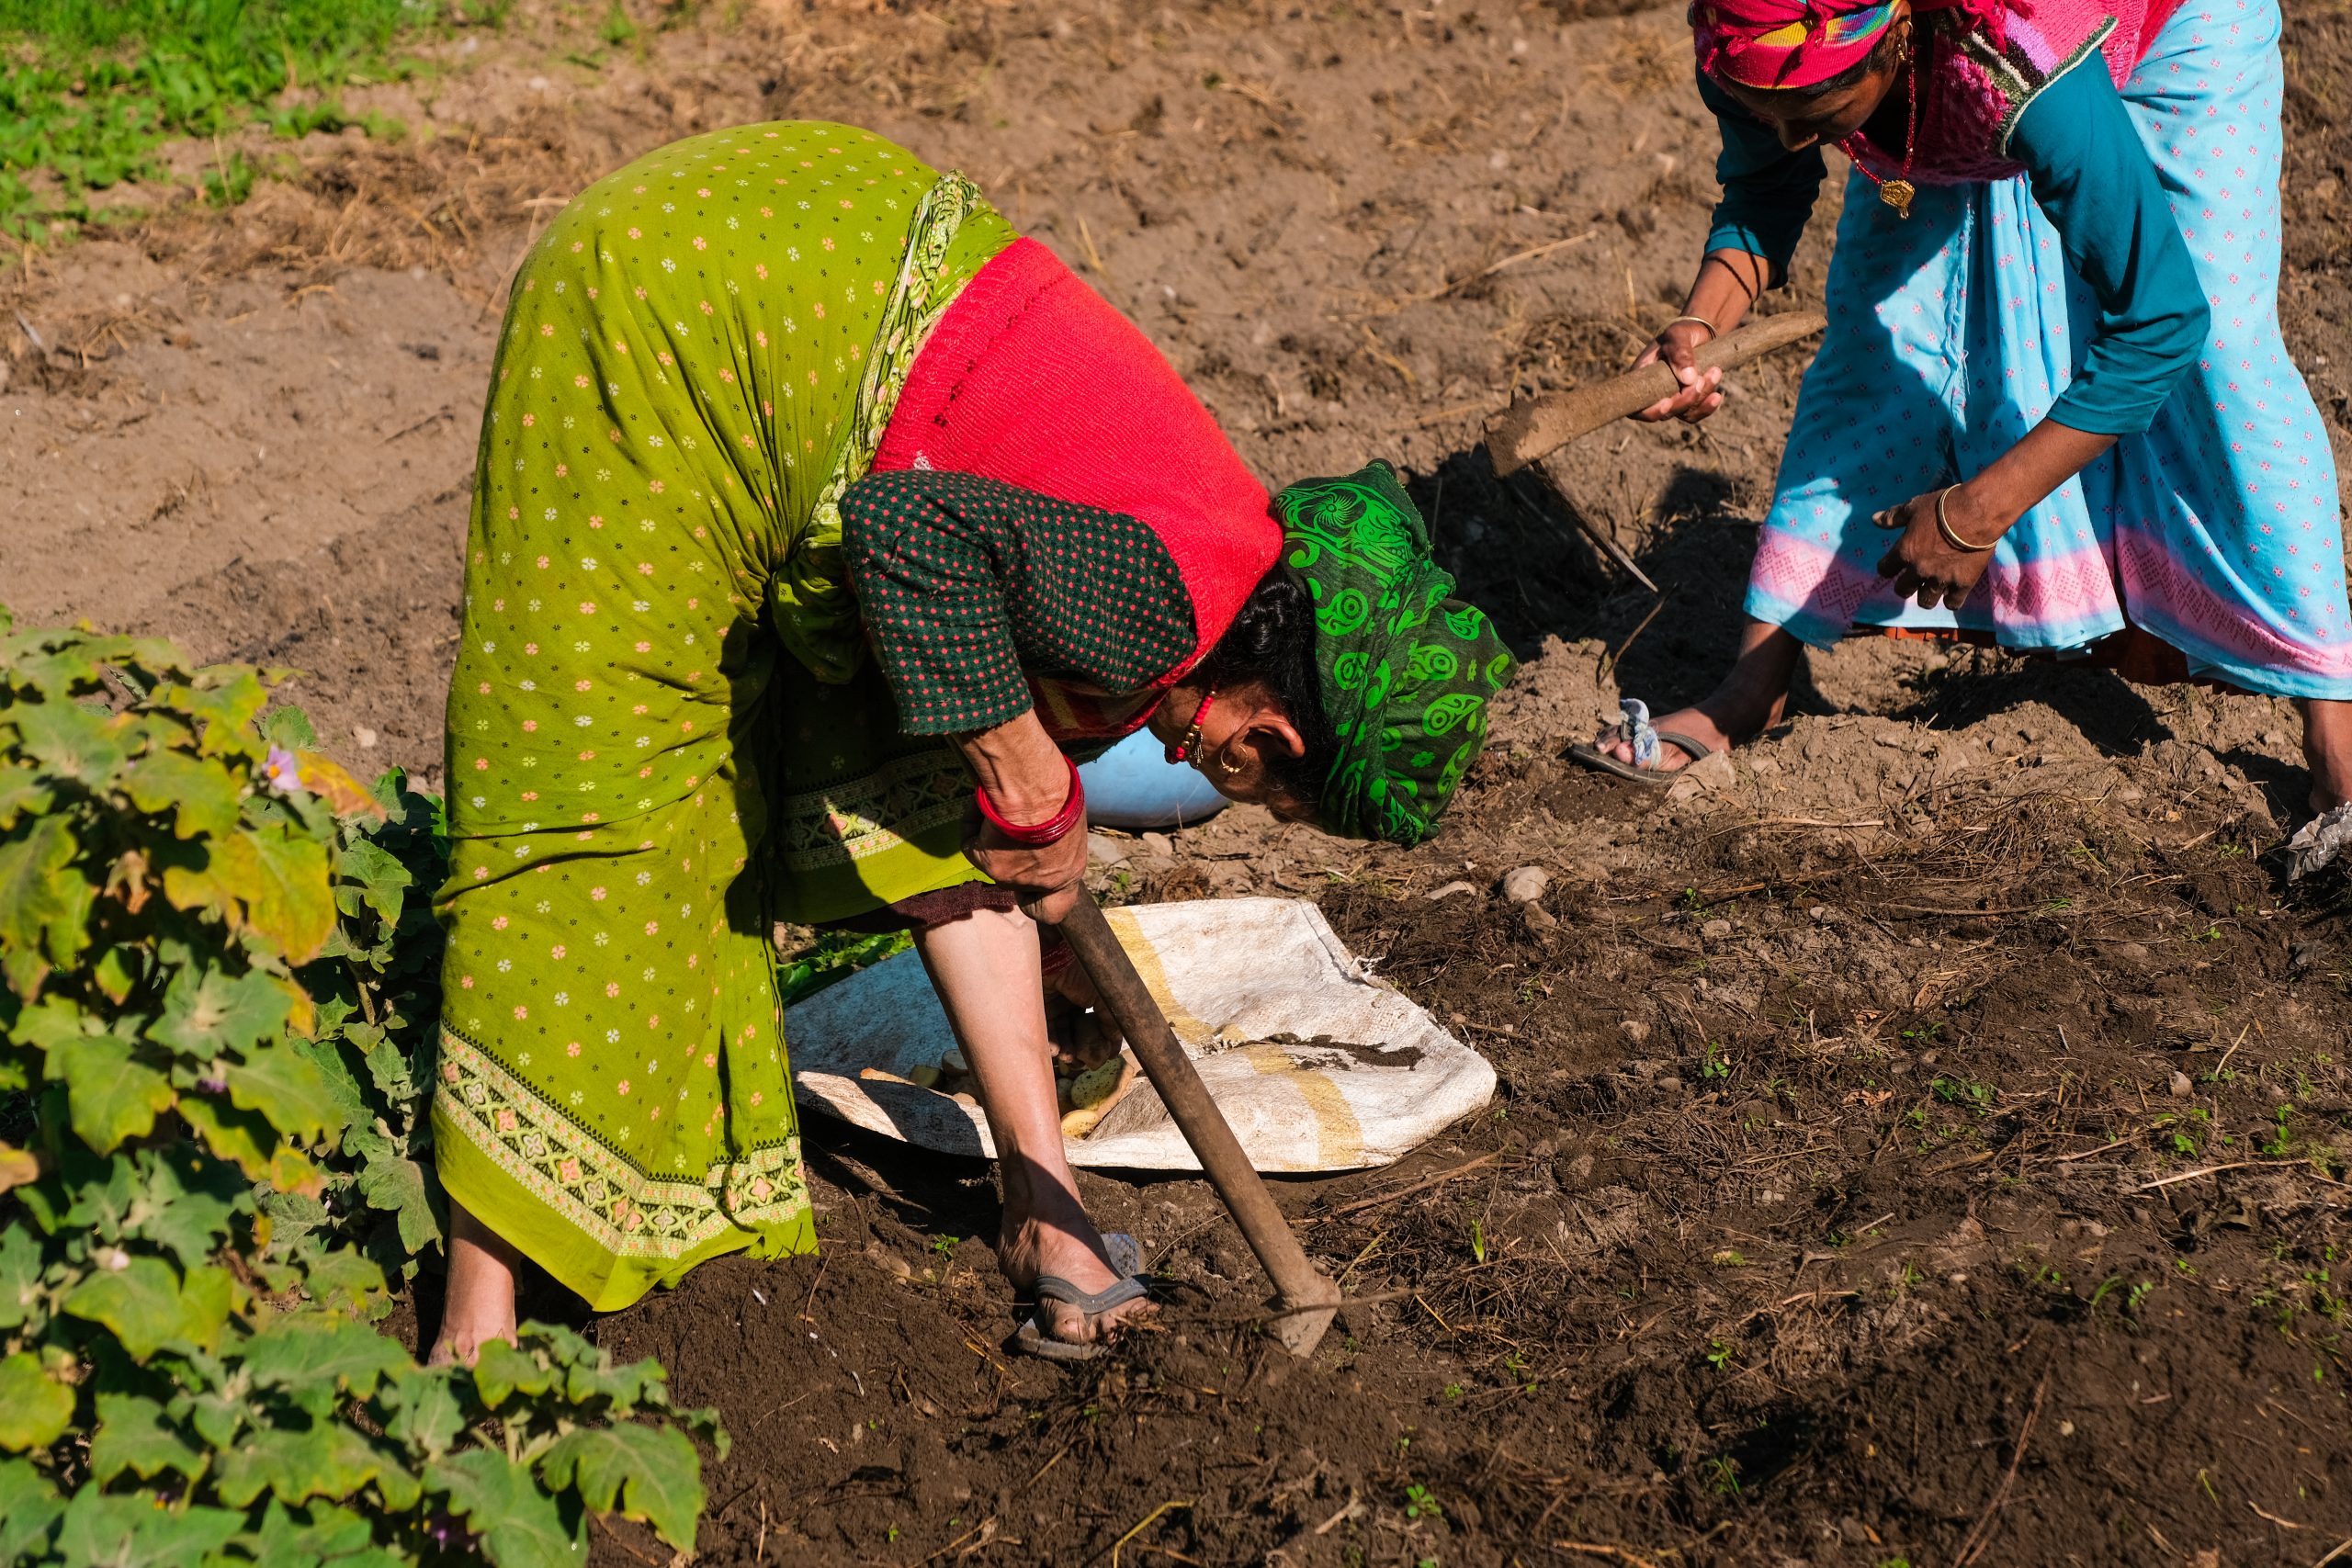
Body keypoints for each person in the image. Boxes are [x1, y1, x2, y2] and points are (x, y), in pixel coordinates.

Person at [428, 121, 1513, 1362]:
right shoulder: (1159, 601)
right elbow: (902, 529)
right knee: (599, 793)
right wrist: (1024, 770)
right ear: (1271, 728)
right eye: (1267, 793)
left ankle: (1046, 1217)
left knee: (943, 752)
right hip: (677, 313)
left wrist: (1021, 798)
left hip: (815, 271)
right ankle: (478, 1321)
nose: (1218, 789)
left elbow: (976, 762)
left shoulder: (1213, 557)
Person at [1574, 0, 2352, 811]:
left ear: (1895, 39)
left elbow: (2162, 321)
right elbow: (1767, 181)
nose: (1799, 139)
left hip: (2168, 24)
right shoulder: (1752, 30)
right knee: (1879, 336)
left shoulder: (2013, 57)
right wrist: (1699, 324)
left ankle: (2336, 729)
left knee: (2222, 355)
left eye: (1817, 114)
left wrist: (1976, 512)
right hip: (1965, 83)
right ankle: (1753, 686)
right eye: (1773, 110)